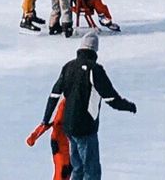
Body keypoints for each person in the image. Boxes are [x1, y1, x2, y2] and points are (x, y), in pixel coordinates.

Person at [40, 33, 136, 180]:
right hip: (85, 127)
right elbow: (110, 98)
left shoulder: (68, 67)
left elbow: (54, 95)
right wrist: (129, 106)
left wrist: (45, 120)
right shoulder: (95, 70)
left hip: (69, 127)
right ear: (95, 51)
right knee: (92, 171)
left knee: (77, 168)